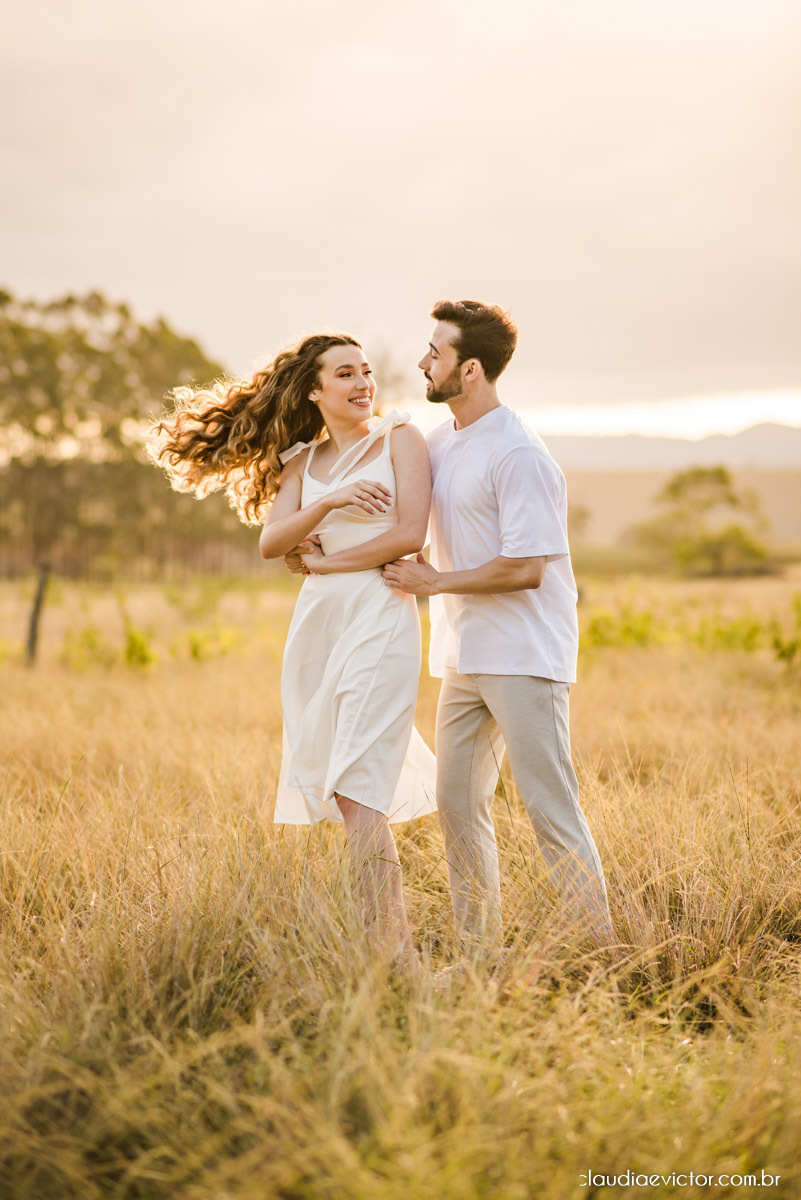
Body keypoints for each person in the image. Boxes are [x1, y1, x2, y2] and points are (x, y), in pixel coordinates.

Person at [148, 333, 436, 966]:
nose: (363, 383)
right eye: (345, 374)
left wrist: (333, 565)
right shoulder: (303, 464)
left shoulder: (401, 440)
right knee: (344, 790)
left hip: (381, 615)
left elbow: (409, 534)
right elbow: (272, 541)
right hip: (319, 627)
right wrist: (329, 501)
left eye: (365, 372)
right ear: (315, 390)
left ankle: (401, 966)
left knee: (359, 789)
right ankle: (383, 954)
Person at [383, 300, 612, 957]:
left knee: (549, 809)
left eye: (436, 353)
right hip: (463, 658)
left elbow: (526, 567)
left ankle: (603, 957)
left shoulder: (518, 454)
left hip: (524, 659)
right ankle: (479, 952)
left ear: (472, 369)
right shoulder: (438, 442)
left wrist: (436, 583)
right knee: (456, 805)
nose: (423, 363)